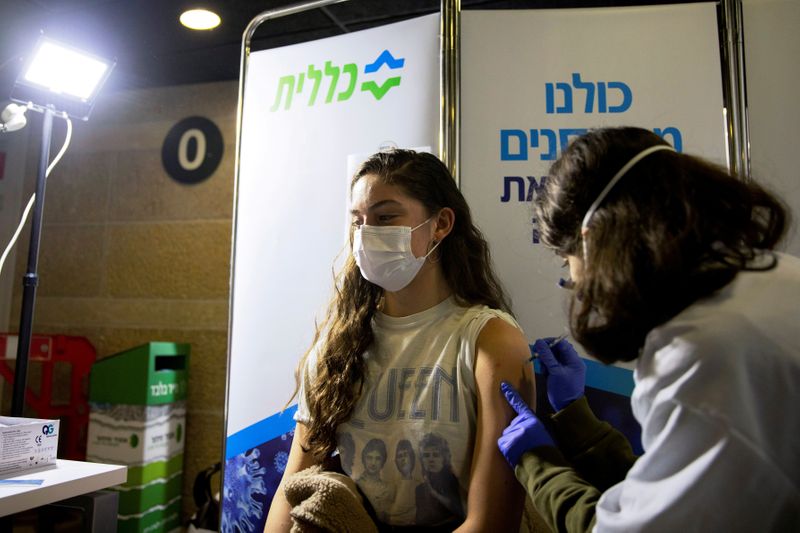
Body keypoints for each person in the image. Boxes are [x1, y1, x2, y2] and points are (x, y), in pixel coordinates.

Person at [498, 126, 800, 532]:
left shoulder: (703, 354)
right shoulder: (774, 278)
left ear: (592, 242)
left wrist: (539, 465)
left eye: (568, 265)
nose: (577, 286)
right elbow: (673, 489)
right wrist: (575, 419)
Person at [265, 149, 534, 532]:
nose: (366, 235)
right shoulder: (337, 346)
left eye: (386, 217)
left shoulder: (491, 341)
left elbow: (492, 521)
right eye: (358, 222)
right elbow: (291, 488)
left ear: (440, 224)